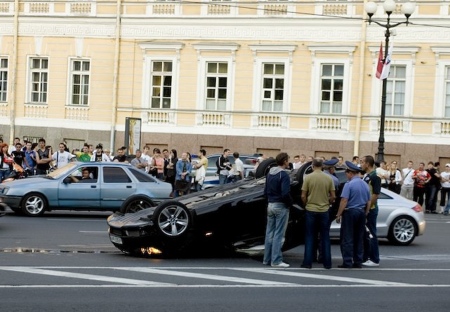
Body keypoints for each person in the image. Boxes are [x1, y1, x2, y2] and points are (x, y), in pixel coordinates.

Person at [300, 158, 335, 269]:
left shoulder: (308, 178)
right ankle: (327, 263)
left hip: (311, 209)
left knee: (310, 236)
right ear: (323, 166)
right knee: (325, 237)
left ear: (312, 166)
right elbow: (333, 196)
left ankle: (307, 262)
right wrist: (327, 202)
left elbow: (303, 195)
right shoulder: (328, 178)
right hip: (324, 210)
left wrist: (306, 204)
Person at [335, 161, 371, 269]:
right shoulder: (365, 184)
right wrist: (366, 212)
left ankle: (347, 261)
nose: (346, 176)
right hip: (361, 212)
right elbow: (368, 201)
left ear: (350, 173)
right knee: (359, 237)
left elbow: (344, 200)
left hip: (350, 212)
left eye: (347, 174)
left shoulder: (348, 184)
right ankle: (358, 261)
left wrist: (338, 214)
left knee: (347, 237)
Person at [262, 152, 293, 268]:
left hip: (270, 204)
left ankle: (267, 258)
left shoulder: (270, 173)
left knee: (269, 233)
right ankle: (276, 260)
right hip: (280, 206)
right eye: (288, 160)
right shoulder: (283, 175)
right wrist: (290, 203)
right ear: (284, 161)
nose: (288, 162)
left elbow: (265, 191)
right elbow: (285, 193)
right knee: (279, 234)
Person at [361, 155, 381, 267]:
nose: (361, 164)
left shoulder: (375, 176)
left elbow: (375, 194)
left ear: (368, 164)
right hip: (366, 208)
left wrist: (367, 208)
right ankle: (366, 257)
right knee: (366, 235)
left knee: (372, 234)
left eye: (362, 162)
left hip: (371, 210)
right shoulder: (366, 175)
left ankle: (374, 259)